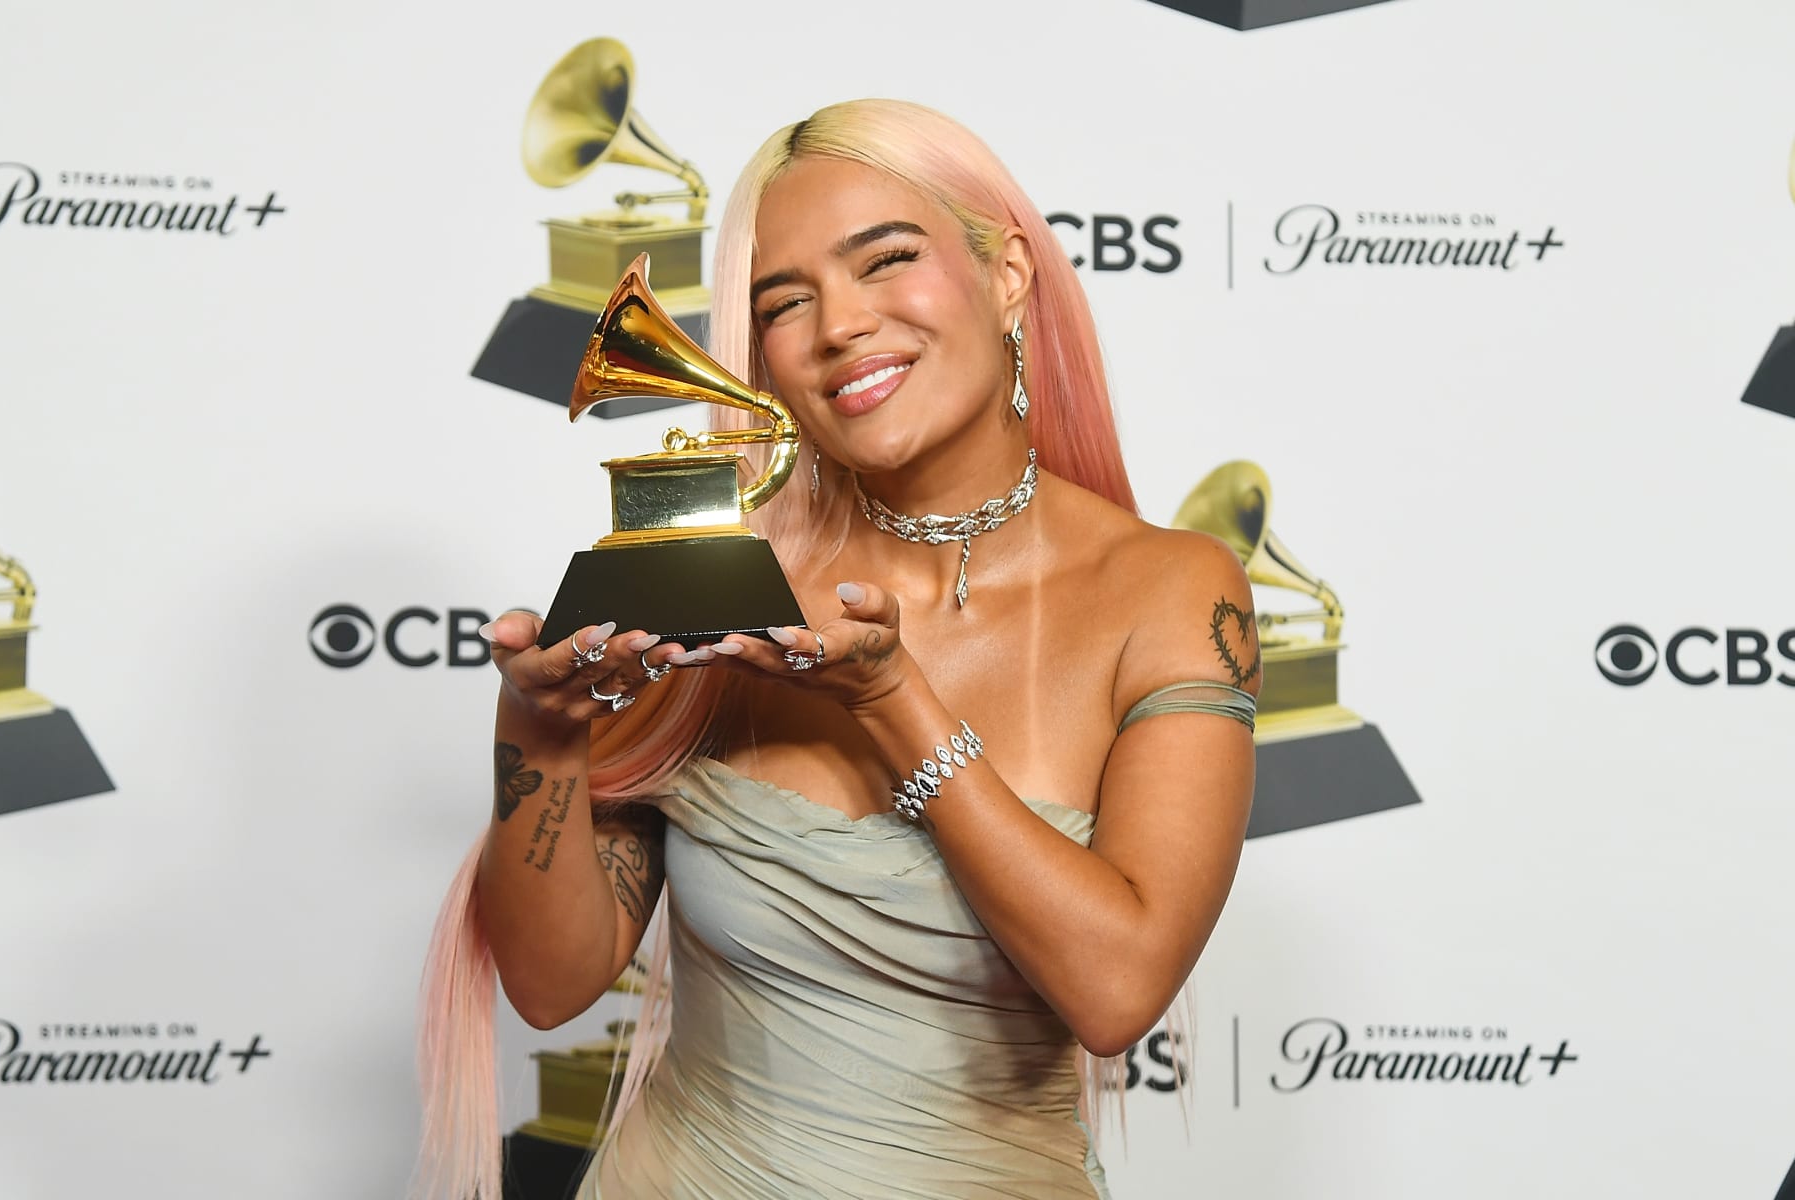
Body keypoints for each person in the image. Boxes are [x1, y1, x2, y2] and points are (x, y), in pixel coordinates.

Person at [418, 98, 1259, 1200]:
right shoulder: (718, 582)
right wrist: (540, 734)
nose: (840, 326)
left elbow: (1115, 991)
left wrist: (892, 699)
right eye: (786, 301)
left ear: (1007, 275)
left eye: (886, 261)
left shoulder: (1171, 590)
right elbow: (547, 982)